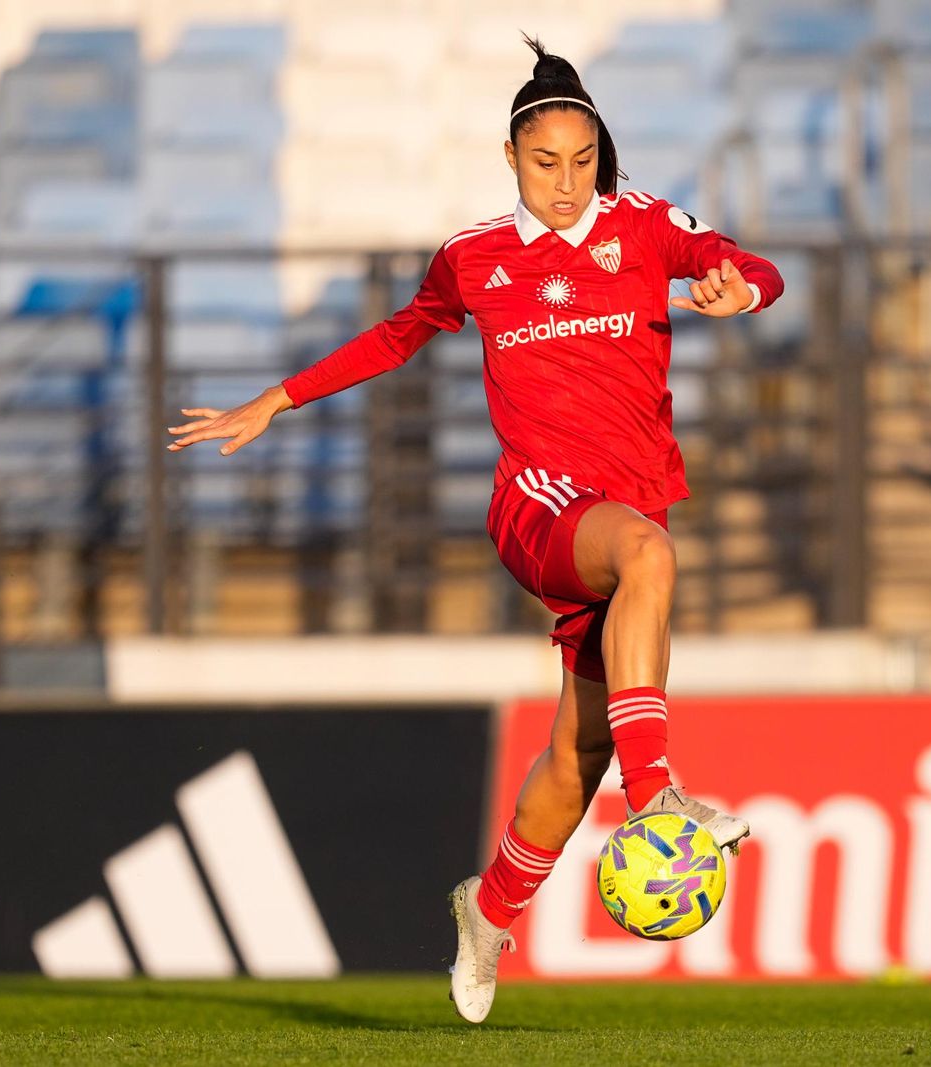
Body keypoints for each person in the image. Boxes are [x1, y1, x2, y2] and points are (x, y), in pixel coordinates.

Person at [167, 37, 784, 1023]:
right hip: (540, 504)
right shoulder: (474, 257)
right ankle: (660, 796)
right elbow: (398, 331)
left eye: (583, 162)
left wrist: (738, 289)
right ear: (511, 158)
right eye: (546, 164)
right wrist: (276, 399)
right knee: (649, 556)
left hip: (628, 504)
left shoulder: (650, 228)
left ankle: (488, 910)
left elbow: (751, 265)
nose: (566, 183)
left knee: (576, 753)